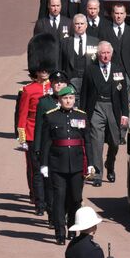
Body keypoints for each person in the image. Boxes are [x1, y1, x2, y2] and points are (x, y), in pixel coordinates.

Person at [40, 86, 95, 245]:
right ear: (59, 100)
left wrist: (91, 163)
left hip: (77, 165)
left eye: (71, 98)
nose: (68, 101)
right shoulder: (51, 117)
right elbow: (46, 143)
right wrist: (44, 164)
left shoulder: (82, 116)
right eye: (65, 98)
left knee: (75, 199)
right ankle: (59, 233)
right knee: (59, 198)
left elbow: (88, 142)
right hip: (57, 164)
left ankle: (72, 228)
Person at [80, 41, 128, 187]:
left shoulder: (118, 70)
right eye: (102, 53)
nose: (105, 56)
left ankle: (110, 164)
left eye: (108, 53)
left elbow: (124, 95)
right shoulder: (90, 70)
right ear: (98, 54)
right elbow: (84, 93)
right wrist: (82, 114)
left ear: (111, 54)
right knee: (97, 141)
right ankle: (98, 174)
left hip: (114, 108)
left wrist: (125, 114)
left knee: (115, 140)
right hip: (96, 107)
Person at [17, 33, 55, 214]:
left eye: (46, 69)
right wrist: (22, 138)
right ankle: (38, 199)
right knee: (35, 170)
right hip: (32, 133)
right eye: (41, 69)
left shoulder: (55, 88)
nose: (44, 72)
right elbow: (22, 115)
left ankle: (48, 199)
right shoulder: (28, 90)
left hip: (52, 134)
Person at [33, 70, 69, 227]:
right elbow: (39, 128)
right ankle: (52, 214)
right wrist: (38, 149)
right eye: (55, 83)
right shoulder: (44, 103)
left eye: (61, 82)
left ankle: (63, 214)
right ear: (51, 85)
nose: (58, 85)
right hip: (49, 150)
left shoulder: (71, 101)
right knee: (50, 185)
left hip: (66, 151)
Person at [99, 3, 130, 90]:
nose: (119, 16)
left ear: (125, 15)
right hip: (109, 72)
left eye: (121, 13)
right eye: (116, 13)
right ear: (112, 14)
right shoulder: (104, 32)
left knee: (125, 99)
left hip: (127, 73)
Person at [59, 14, 99, 104]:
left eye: (82, 23)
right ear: (73, 25)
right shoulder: (65, 42)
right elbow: (60, 63)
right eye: (77, 23)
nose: (79, 26)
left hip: (89, 81)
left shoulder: (95, 42)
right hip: (70, 81)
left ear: (86, 25)